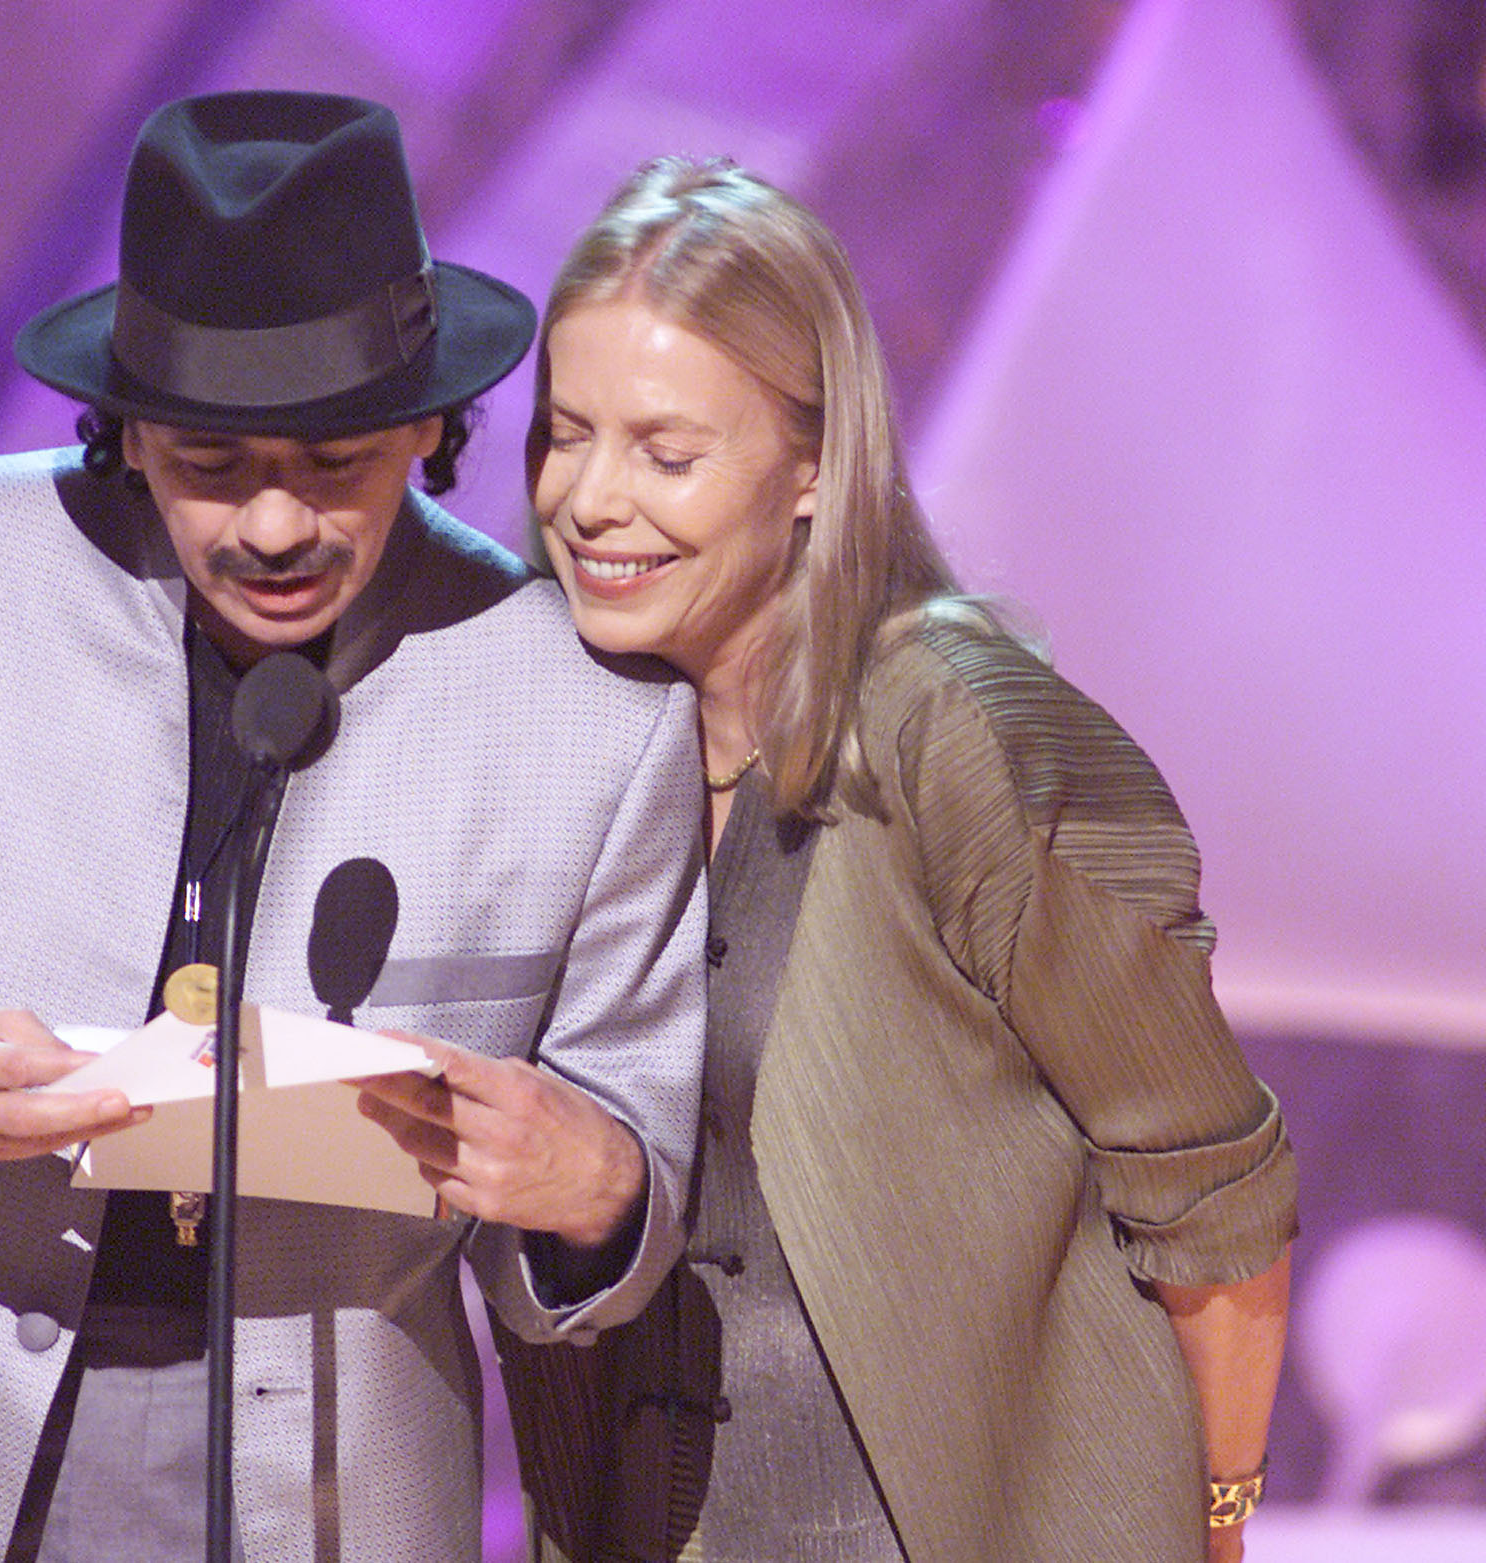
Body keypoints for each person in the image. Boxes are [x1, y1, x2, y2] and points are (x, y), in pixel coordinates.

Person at [0, 92, 706, 1563]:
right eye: (214, 466)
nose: (274, 529)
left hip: (333, 1494)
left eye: (335, 463)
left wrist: (591, 1186)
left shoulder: (591, 711)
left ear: (429, 419)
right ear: (128, 425)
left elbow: (630, 1171)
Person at [488, 157, 1299, 1563]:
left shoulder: (963, 732)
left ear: (813, 466)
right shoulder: (559, 749)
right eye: (567, 434)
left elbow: (1215, 1193)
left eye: (666, 453)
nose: (592, 500)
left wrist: (1215, 1521)